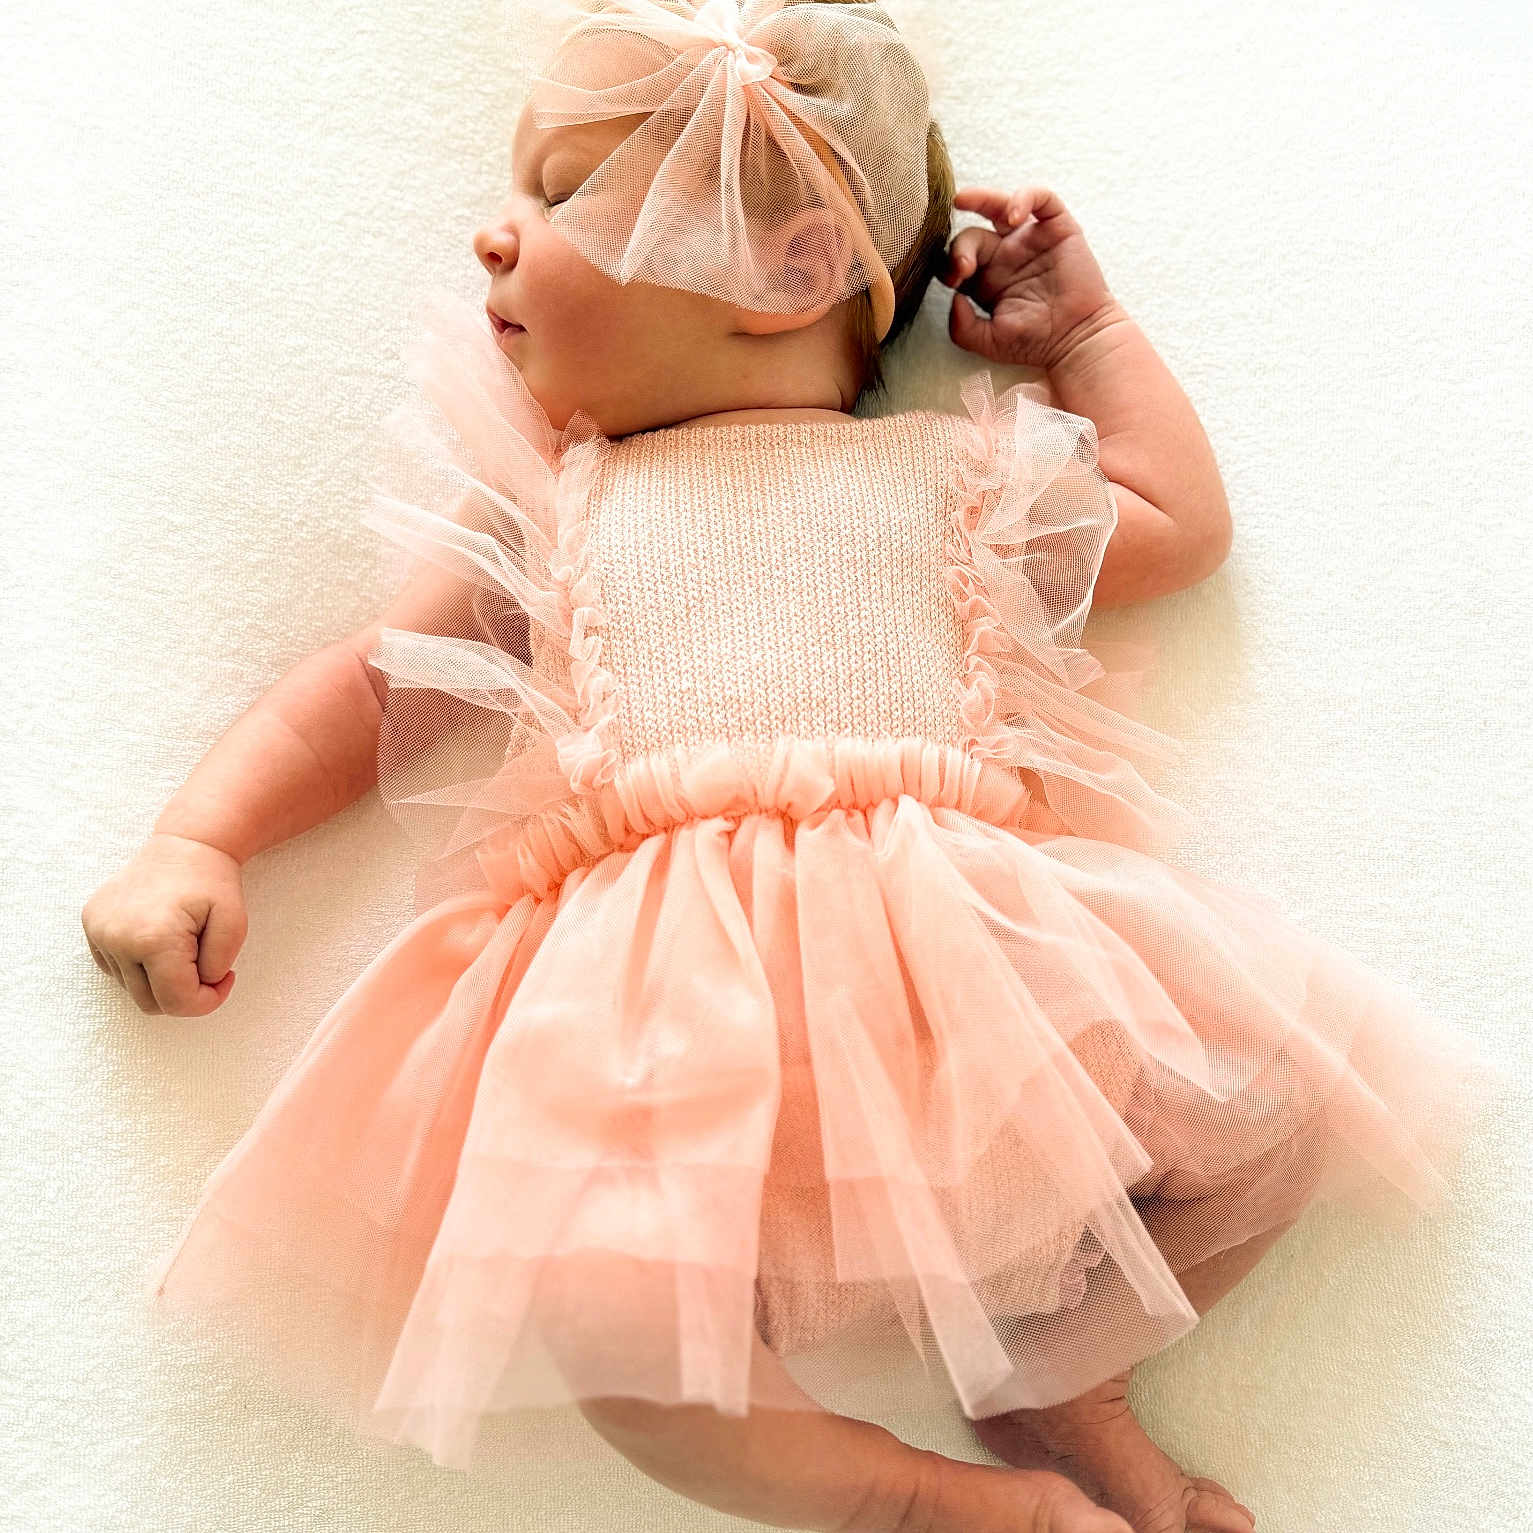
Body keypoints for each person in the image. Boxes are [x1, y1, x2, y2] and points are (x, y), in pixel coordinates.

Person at [81, 3, 1509, 1530]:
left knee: (1275, 1096)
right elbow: (361, 695)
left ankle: (1057, 1373)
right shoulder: (554, 514)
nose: (493, 234)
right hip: (652, 1023)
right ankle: (913, 1500)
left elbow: (1174, 521)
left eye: (562, 192)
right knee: (604, 1320)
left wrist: (1086, 341)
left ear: (793, 269)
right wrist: (199, 836)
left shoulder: (952, 478)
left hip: (963, 969)